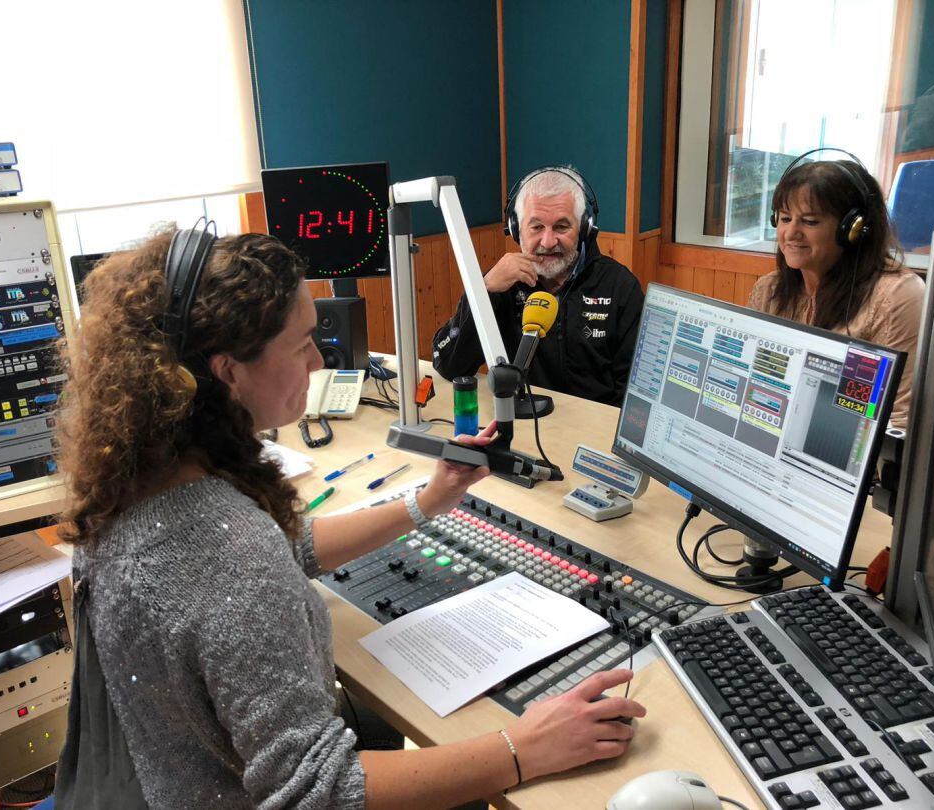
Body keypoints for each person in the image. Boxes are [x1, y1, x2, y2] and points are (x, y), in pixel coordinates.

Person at [53, 228, 646, 809]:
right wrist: (524, 747)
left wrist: (428, 500)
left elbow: (281, 552)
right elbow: (322, 789)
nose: (319, 359)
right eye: (301, 343)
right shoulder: (230, 558)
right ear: (229, 370)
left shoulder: (142, 479)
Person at [432, 168, 645, 407]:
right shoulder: (502, 285)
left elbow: (634, 392)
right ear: (516, 230)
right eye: (536, 227)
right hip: (522, 424)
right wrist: (484, 291)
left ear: (585, 229)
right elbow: (449, 364)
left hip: (592, 430)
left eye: (562, 227)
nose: (548, 241)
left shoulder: (619, 287)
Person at [748, 158, 926, 426]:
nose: (791, 233)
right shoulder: (768, 290)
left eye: (809, 221)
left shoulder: (897, 297)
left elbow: (898, 422)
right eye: (785, 219)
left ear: (852, 229)